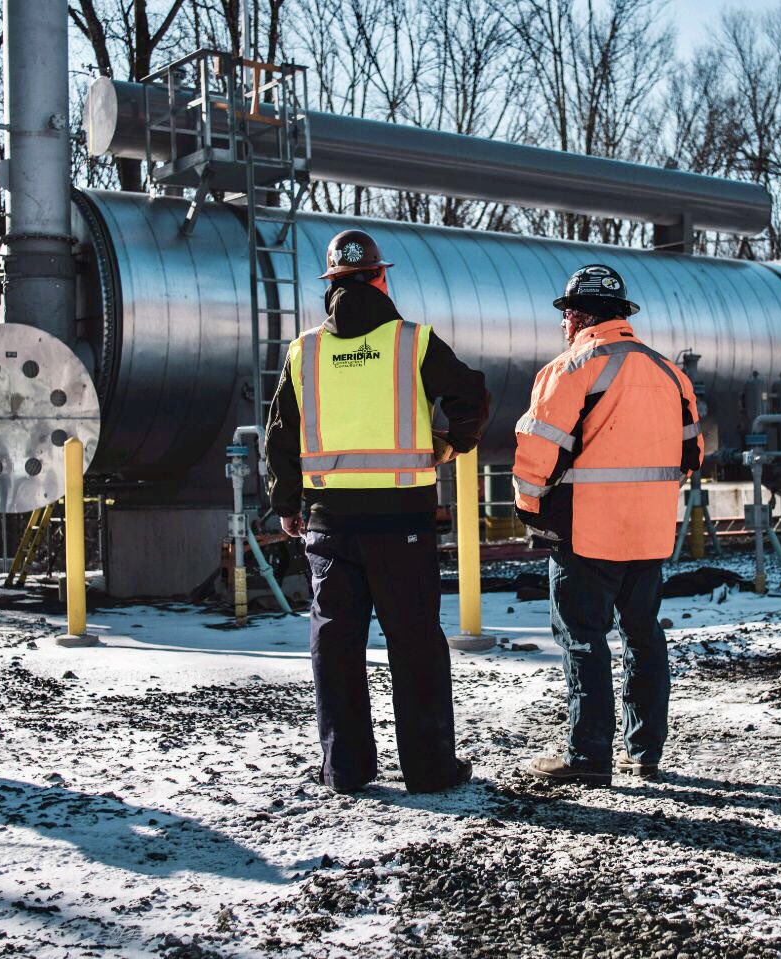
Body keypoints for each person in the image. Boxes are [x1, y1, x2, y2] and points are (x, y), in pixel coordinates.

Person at [266, 228, 489, 794]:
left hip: (329, 523)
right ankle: (430, 769)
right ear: (380, 278)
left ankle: (345, 768)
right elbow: (473, 397)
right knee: (414, 640)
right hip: (403, 522)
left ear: (330, 285)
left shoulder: (304, 351)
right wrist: (450, 442)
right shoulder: (412, 342)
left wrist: (287, 504)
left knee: (336, 642)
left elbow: (279, 435)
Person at [512, 264, 703, 786]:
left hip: (585, 536)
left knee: (582, 639)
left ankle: (588, 757)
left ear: (576, 316)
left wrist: (530, 508)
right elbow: (694, 453)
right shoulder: (669, 373)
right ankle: (644, 753)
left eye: (564, 315)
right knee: (643, 636)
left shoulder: (570, 369)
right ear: (622, 316)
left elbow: (536, 453)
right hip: (650, 534)